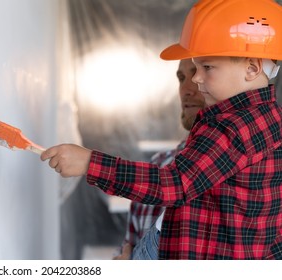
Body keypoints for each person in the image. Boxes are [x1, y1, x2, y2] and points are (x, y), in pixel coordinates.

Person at [41, 0, 282, 259]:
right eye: (191, 71)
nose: (196, 79)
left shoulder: (232, 126)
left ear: (252, 68)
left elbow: (174, 184)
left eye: (207, 67)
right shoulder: (266, 121)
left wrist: (91, 162)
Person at [114, 59, 205, 260]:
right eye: (181, 78)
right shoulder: (156, 164)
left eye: (199, 74)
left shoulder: (260, 170)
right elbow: (129, 249)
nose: (186, 89)